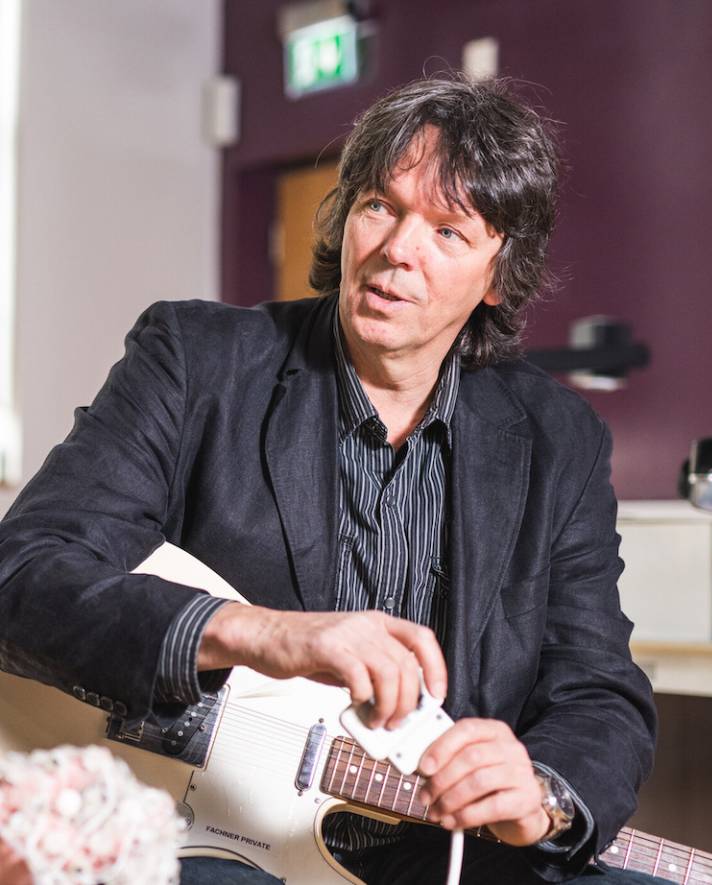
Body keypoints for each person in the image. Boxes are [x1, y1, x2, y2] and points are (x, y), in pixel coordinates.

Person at [0, 76, 667, 884]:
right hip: (213, 836)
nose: (399, 250)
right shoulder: (195, 359)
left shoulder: (559, 438)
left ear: (498, 275)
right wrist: (261, 633)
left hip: (442, 850)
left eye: (448, 231)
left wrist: (544, 794)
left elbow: (599, 689)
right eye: (381, 205)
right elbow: (23, 573)